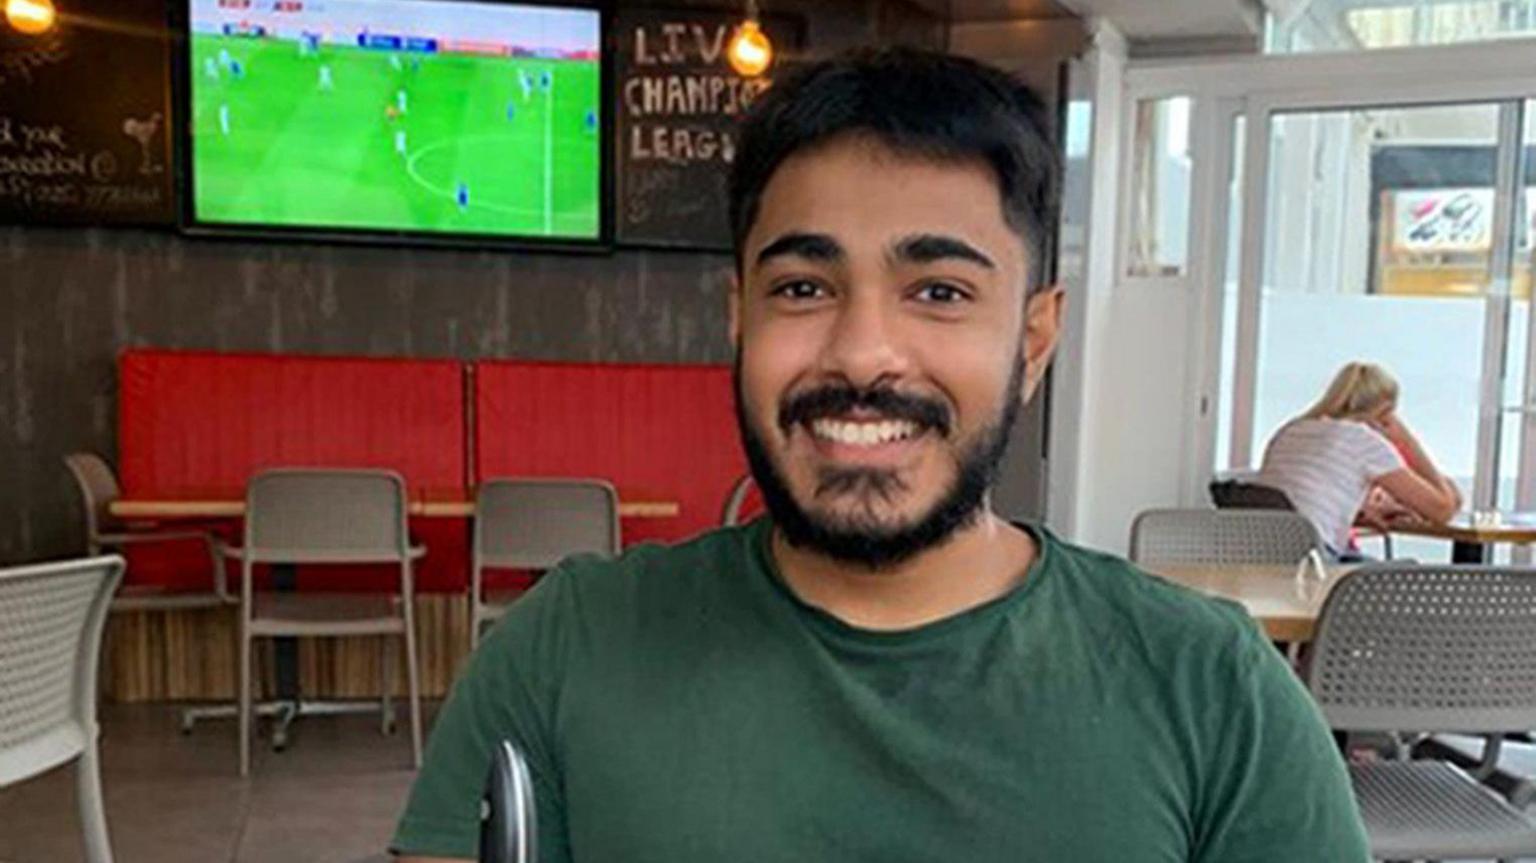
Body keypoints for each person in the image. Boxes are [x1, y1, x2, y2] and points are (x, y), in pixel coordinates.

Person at [392, 48, 1368, 863]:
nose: (861, 353)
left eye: (939, 291)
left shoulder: (1214, 689)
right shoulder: (567, 648)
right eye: (804, 288)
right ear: (738, 318)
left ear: (1032, 338)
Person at [1256, 361, 1461, 559]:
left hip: (1258, 549)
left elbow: (1302, 496)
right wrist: (1406, 440)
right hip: (1311, 558)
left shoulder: (1292, 430)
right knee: (1397, 575)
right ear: (1385, 412)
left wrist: (1357, 512)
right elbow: (1443, 509)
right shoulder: (1363, 441)